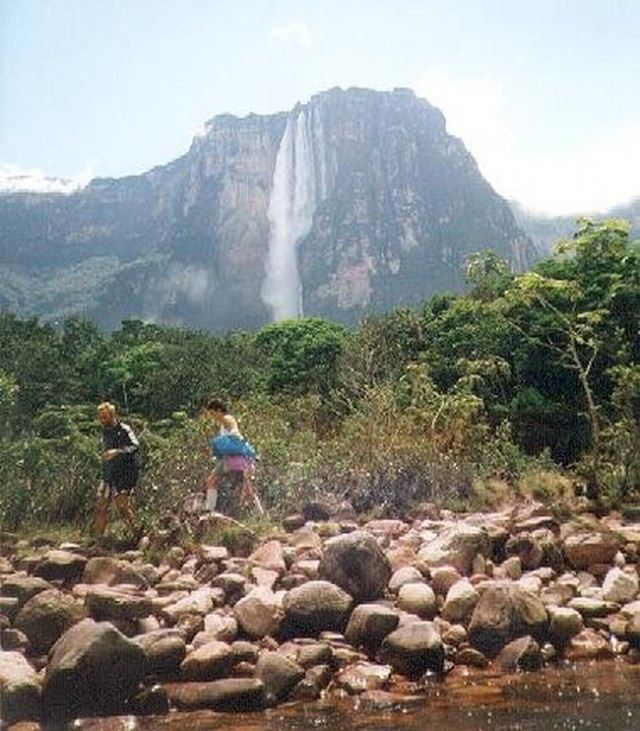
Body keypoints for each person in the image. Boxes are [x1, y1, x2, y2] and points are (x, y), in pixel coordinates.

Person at [203, 398, 261, 514]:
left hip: (236, 458)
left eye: (213, 413)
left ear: (219, 410)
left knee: (247, 489)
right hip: (229, 459)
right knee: (212, 481)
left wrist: (229, 438)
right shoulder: (223, 424)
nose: (212, 416)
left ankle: (209, 510)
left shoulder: (227, 418)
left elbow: (234, 431)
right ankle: (210, 510)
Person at [94, 401, 140, 537]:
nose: (102, 420)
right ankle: (98, 539)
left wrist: (117, 452)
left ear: (112, 415)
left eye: (104, 417)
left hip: (124, 473)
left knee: (122, 507)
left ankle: (136, 533)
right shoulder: (105, 432)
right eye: (100, 417)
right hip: (108, 473)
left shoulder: (124, 429)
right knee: (100, 507)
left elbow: (135, 446)